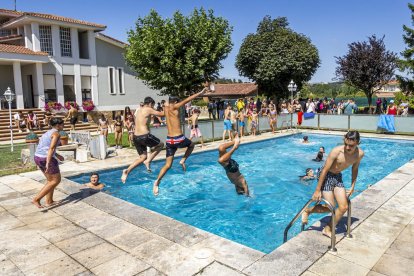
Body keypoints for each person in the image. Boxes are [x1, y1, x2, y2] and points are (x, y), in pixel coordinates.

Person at [302, 131, 364, 238]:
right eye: (346, 144)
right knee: (330, 207)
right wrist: (317, 190)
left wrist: (353, 186)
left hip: (337, 176)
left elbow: (355, 169)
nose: (348, 148)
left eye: (351, 145)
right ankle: (307, 211)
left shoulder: (359, 154)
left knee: (343, 207)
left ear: (358, 142)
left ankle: (328, 228)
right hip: (326, 175)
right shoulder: (336, 151)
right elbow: (325, 170)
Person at [153, 87, 211, 195]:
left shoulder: (165, 109)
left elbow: (159, 113)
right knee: (192, 145)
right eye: (178, 101)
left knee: (167, 165)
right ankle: (183, 160)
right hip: (178, 138)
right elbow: (188, 99)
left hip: (169, 140)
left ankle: (157, 182)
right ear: (175, 102)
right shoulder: (174, 106)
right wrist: (201, 92)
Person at [121, 97, 165, 183]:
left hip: (135, 137)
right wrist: (169, 107)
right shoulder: (148, 109)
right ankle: (148, 161)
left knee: (142, 157)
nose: (153, 107)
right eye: (153, 105)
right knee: (161, 144)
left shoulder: (139, 110)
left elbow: (144, 122)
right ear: (150, 104)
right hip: (144, 136)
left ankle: (127, 171)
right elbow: (162, 114)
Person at [32, 118, 65, 208]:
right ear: (58, 125)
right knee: (55, 180)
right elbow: (51, 148)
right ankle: (36, 199)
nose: (64, 125)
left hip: (38, 156)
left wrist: (57, 155)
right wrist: (48, 162)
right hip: (45, 158)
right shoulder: (56, 134)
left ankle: (49, 201)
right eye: (63, 124)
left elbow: (45, 147)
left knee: (50, 181)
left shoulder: (48, 132)